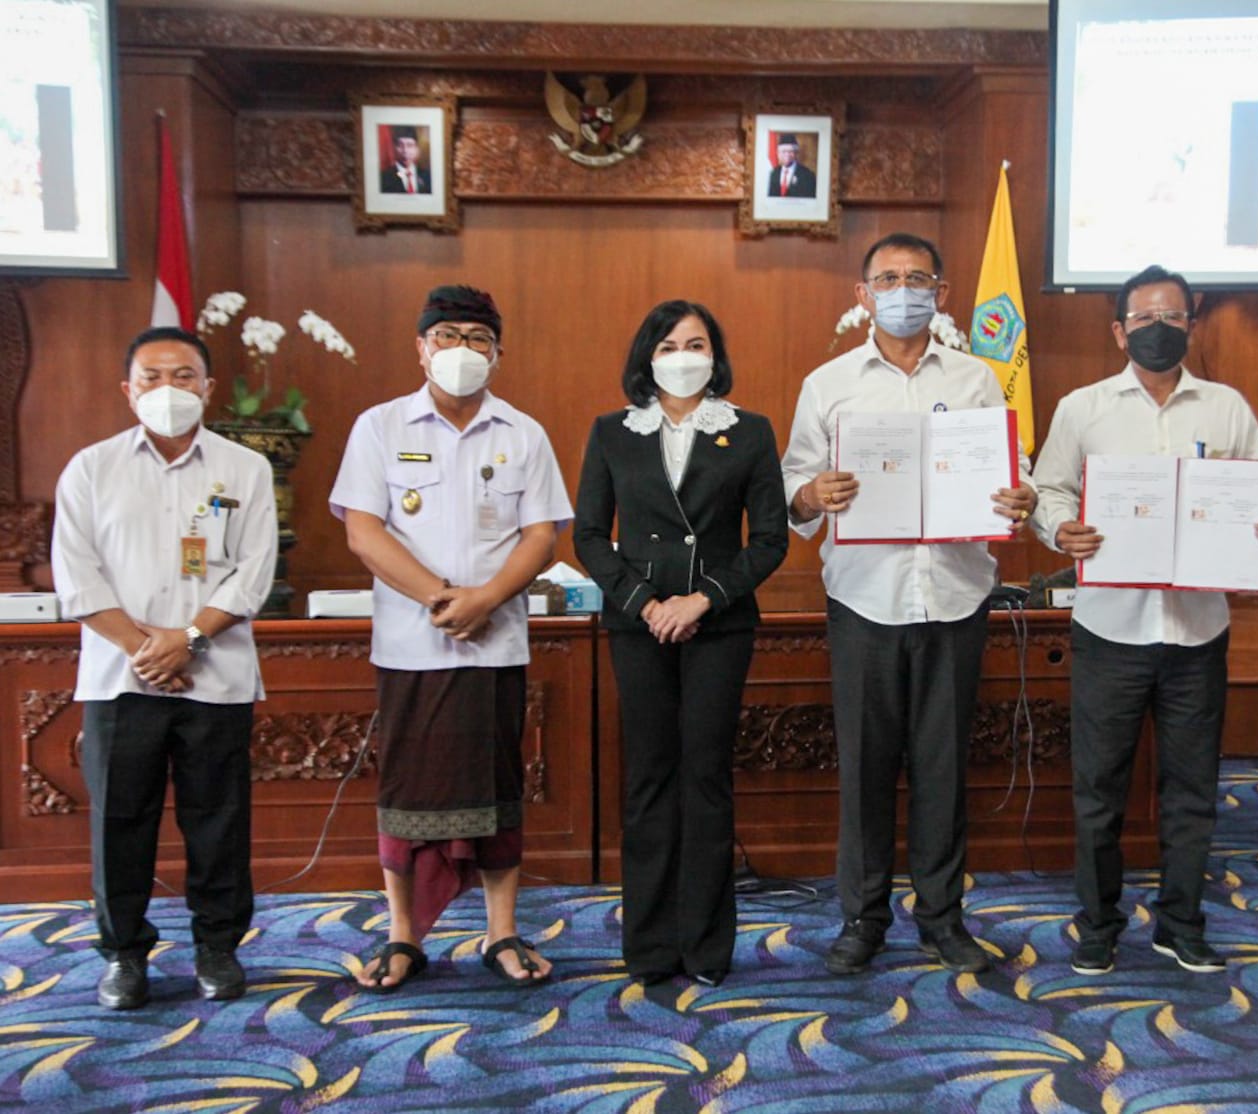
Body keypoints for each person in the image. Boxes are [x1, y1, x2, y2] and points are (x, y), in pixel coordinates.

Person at [782, 232, 1037, 976]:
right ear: (863, 295)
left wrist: (1017, 495)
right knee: (865, 769)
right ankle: (862, 919)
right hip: (865, 596)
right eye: (888, 279)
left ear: (942, 293)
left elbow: (1012, 469)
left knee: (942, 767)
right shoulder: (828, 384)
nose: (903, 291)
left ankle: (941, 918)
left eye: (917, 279)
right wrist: (813, 493)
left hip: (955, 595)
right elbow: (794, 487)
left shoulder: (977, 379)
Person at [1030, 264, 1258, 976]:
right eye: (1144, 318)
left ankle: (1181, 924)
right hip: (1110, 628)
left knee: (1192, 790)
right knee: (1099, 790)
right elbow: (1049, 488)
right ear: (1119, 331)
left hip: (1197, 631)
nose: (1158, 329)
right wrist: (1061, 529)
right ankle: (1098, 924)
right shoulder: (1084, 407)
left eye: (1172, 316)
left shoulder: (1226, 408)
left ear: (1191, 326)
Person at [329, 284, 573, 992]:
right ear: (421, 347)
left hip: (495, 644)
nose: (462, 350)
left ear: (498, 353)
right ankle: (403, 935)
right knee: (406, 791)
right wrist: (441, 597)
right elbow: (363, 530)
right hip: (412, 644)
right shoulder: (380, 427)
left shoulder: (522, 433)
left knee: (498, 790)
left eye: (477, 338)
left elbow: (542, 535)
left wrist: (487, 599)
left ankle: (501, 931)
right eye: (448, 336)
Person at [51, 326, 278, 1010]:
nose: (168, 389)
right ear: (129, 390)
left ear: (208, 388)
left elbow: (254, 571)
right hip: (120, 680)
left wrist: (189, 639)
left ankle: (217, 947)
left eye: (183, 376)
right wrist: (147, 649)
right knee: (120, 822)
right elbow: (76, 575)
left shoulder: (246, 468)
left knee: (218, 820)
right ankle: (124, 954)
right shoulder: (91, 468)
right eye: (152, 377)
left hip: (217, 676)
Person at [573, 300, 788, 987]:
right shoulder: (612, 432)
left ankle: (705, 948)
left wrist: (701, 600)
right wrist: (646, 603)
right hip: (638, 626)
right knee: (649, 779)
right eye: (668, 345)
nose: (683, 355)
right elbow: (588, 537)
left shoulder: (749, 432)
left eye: (696, 344)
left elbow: (770, 541)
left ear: (715, 356)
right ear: (647, 356)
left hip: (718, 625)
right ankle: (650, 946)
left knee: (706, 778)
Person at [379, 126, 430, 195]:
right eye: (400, 145)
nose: (405, 151)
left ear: (417, 149)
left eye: (410, 145)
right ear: (394, 148)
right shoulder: (383, 178)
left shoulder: (427, 176)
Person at [767, 134, 817, 199]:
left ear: (796, 153)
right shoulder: (773, 173)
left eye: (790, 151)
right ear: (778, 153)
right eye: (784, 151)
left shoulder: (807, 175)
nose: (787, 154)